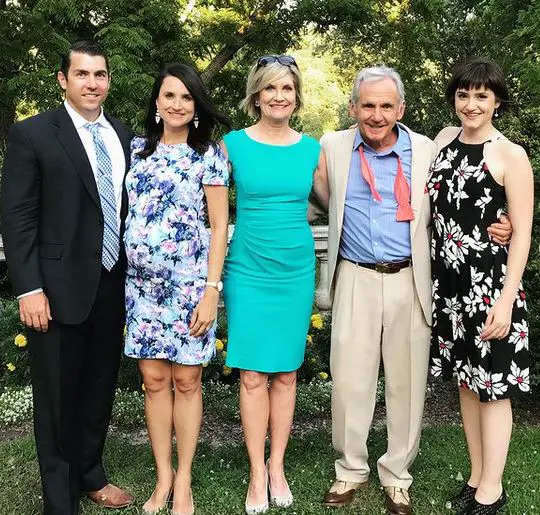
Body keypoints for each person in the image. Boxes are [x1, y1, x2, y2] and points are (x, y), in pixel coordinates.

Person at [317, 66, 511, 515]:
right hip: (356, 276)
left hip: (411, 278)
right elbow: (307, 194)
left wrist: (505, 222)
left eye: (387, 105)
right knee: (349, 381)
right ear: (353, 108)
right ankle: (350, 470)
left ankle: (397, 476)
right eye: (368, 105)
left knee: (407, 384)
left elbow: (467, 192)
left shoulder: (429, 148)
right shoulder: (332, 147)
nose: (377, 114)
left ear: (401, 109)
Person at [1, 41, 134, 514]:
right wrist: (29, 288)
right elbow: (17, 219)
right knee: (57, 398)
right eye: (82, 74)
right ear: (63, 79)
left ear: (108, 81)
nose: (92, 83)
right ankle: (60, 499)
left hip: (110, 283)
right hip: (53, 291)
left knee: (99, 387)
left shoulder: (122, 133)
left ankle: (91, 474)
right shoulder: (32, 134)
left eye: (100, 74)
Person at [123, 62, 230, 515]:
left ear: (196, 105)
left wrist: (211, 290)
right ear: (157, 102)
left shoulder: (210, 153)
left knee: (186, 380)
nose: (177, 105)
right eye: (169, 96)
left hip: (190, 286)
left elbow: (220, 225)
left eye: (186, 97)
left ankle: (183, 479)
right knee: (153, 380)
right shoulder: (136, 149)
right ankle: (162, 476)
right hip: (141, 288)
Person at [221, 55, 325, 514]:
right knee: (251, 374)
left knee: (285, 372)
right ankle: (255, 472)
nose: (279, 96)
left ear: (296, 96)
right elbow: (205, 201)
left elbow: (330, 203)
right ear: (256, 96)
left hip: (295, 271)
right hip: (247, 268)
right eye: (270, 89)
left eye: (287, 88)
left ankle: (277, 464)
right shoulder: (231, 145)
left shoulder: (311, 149)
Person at [429, 57, 532, 515]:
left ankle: (493, 487)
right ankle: (475, 477)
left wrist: (507, 302)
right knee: (467, 386)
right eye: (463, 95)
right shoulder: (443, 140)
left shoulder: (510, 154)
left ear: (497, 102)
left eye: (481, 96)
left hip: (490, 288)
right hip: (451, 289)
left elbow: (523, 232)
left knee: (493, 388)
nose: (471, 104)